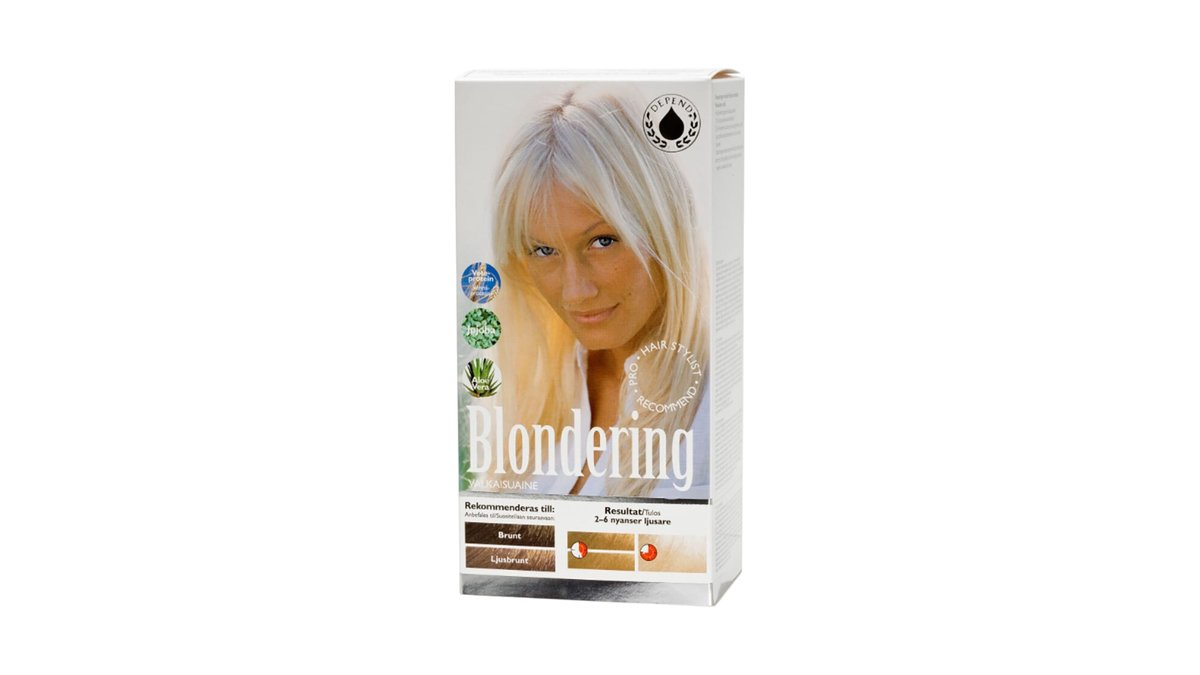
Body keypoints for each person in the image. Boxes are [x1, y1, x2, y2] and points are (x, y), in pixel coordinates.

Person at [487, 87, 710, 499]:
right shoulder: (531, 396)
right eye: (543, 251)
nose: (575, 292)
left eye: (603, 241)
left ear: (664, 226)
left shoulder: (719, 400)